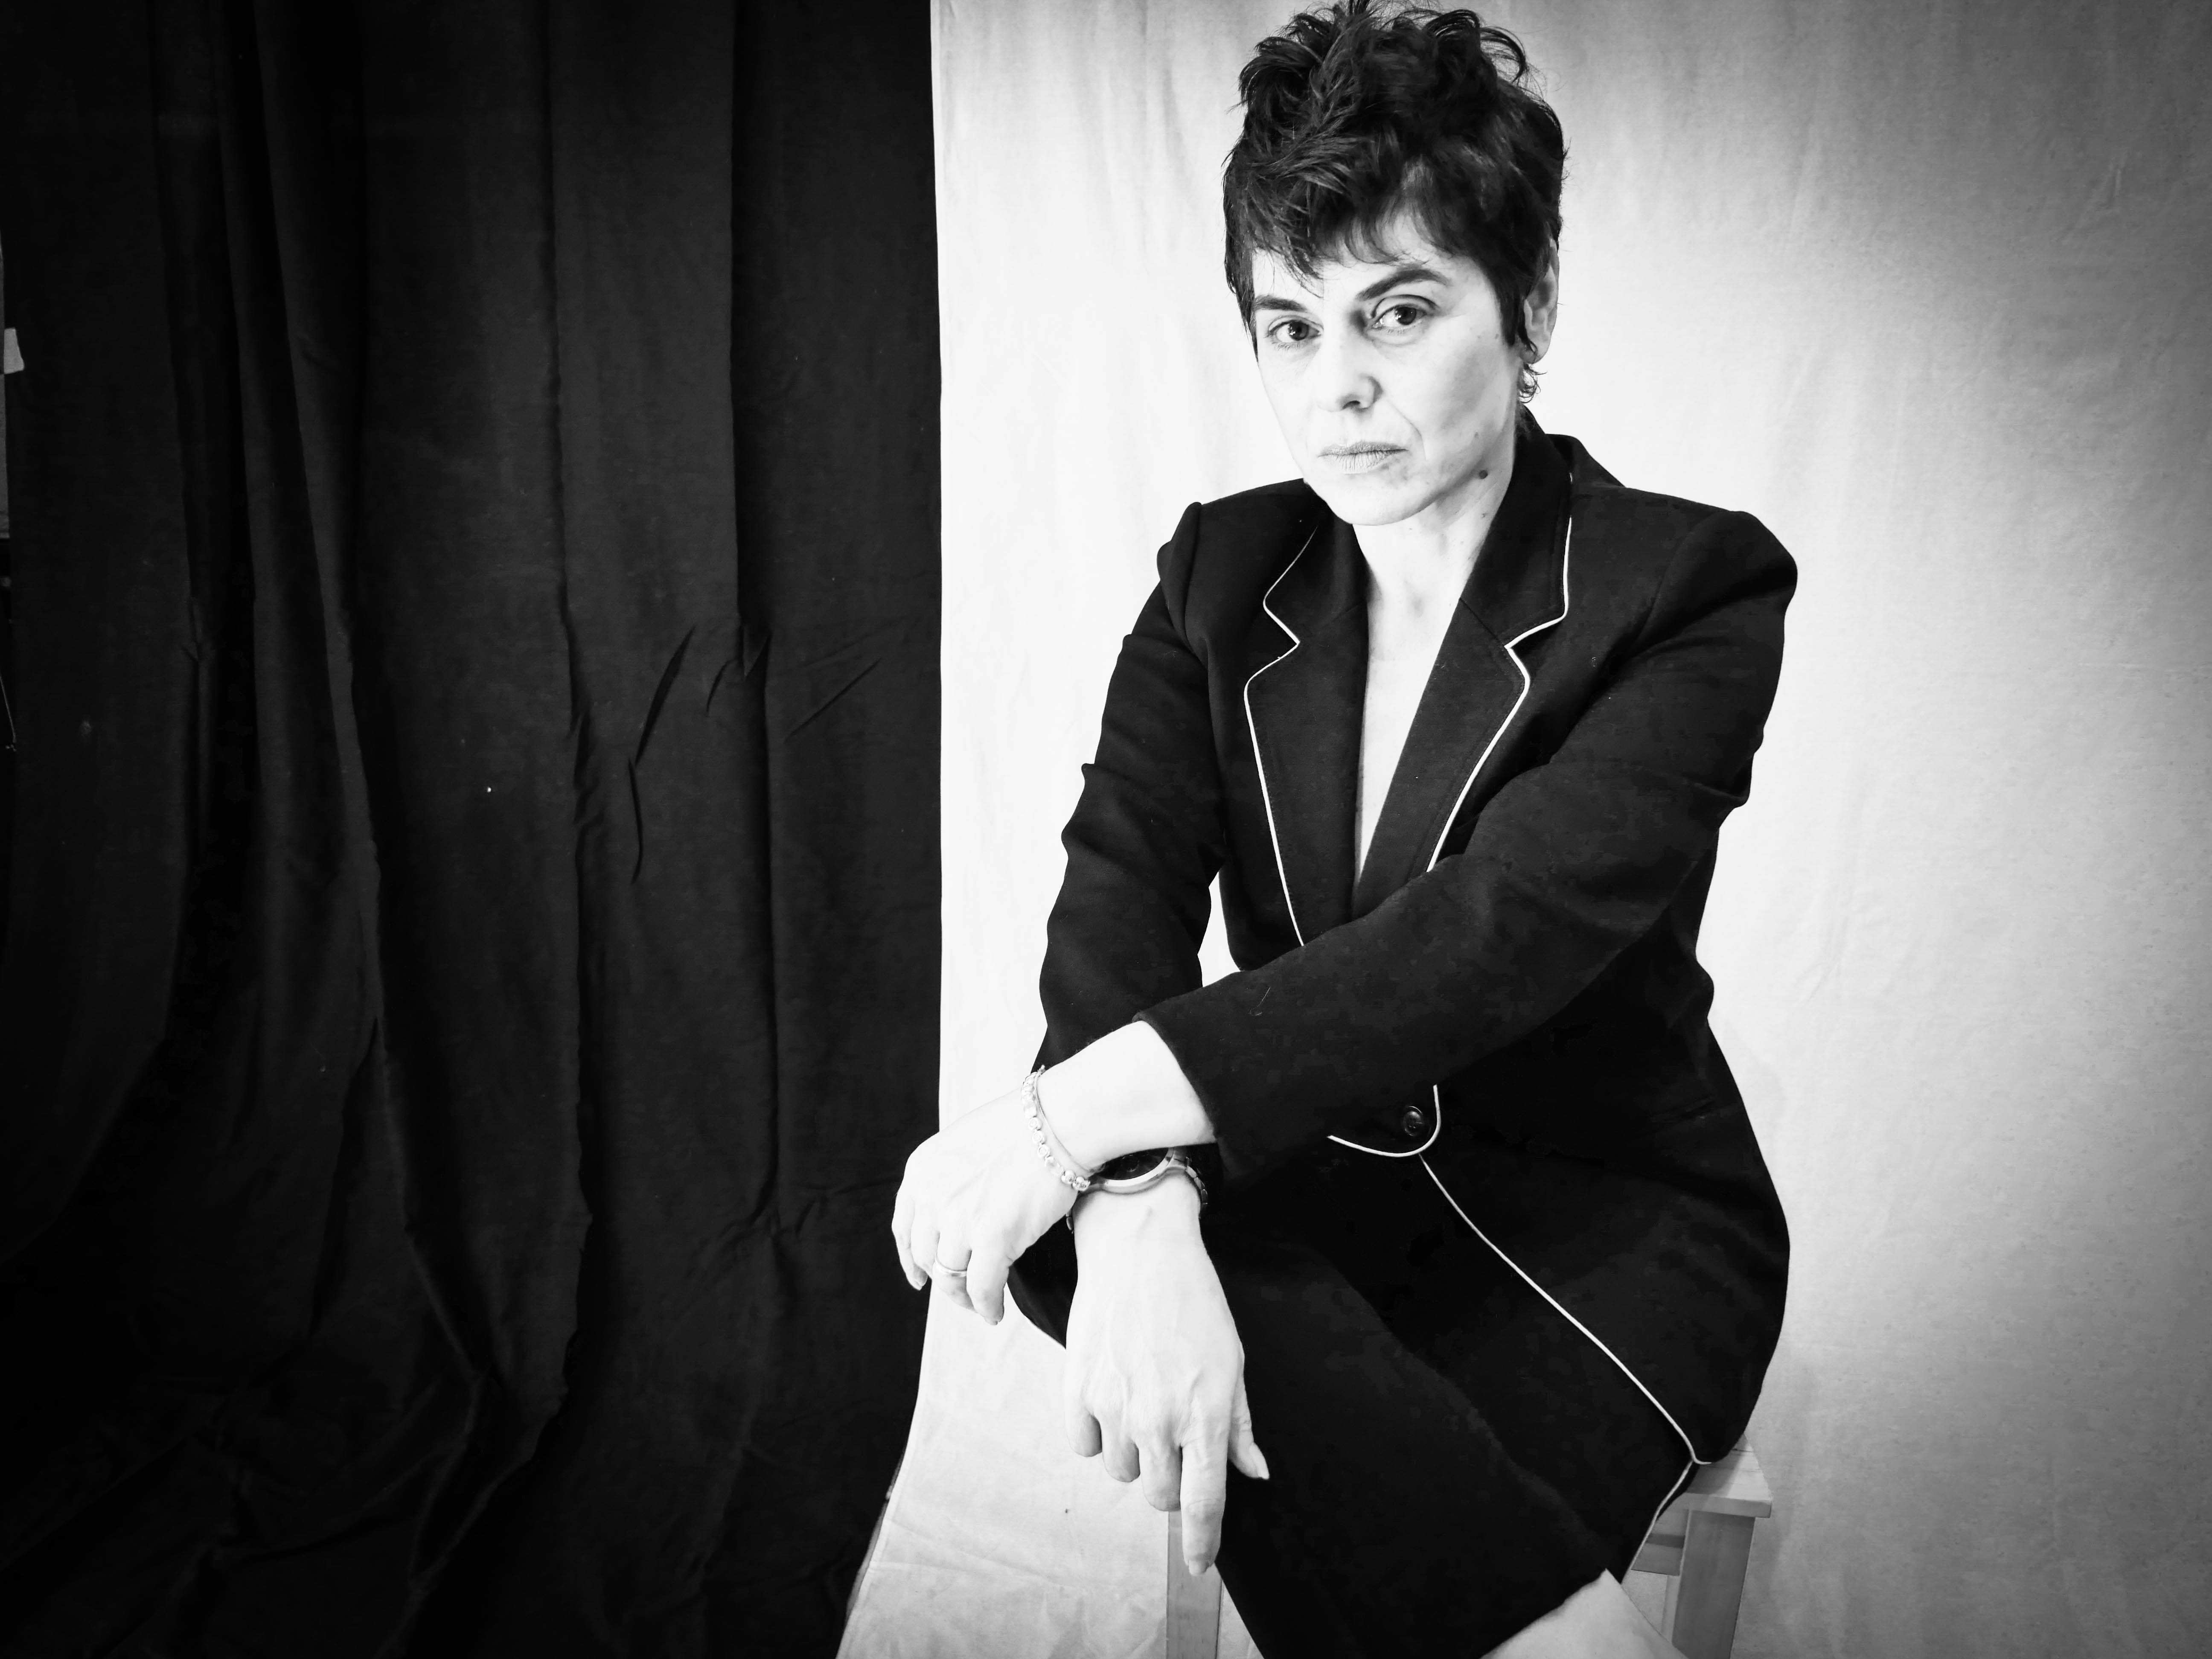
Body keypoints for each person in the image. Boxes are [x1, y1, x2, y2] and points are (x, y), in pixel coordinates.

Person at [891, 3, 1791, 1653]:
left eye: (1400, 311)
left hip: (1592, 1229)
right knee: (1068, 1230)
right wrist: (1140, 1202)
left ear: (1530, 308)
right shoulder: (1221, 573)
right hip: (1310, 1184)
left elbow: (1485, 944)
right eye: (1292, 328)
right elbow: (1116, 905)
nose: (1340, 387)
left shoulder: (1688, 587)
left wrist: (1067, 1122)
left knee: (1054, 1183)